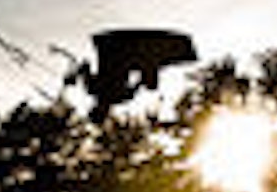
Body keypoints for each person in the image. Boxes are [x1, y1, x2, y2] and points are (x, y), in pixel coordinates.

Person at [60, 29, 197, 122]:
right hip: (115, 54)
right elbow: (85, 66)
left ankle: (157, 55)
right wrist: (74, 76)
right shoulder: (94, 90)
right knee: (151, 83)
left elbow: (84, 66)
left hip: (118, 54)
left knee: (150, 83)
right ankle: (158, 55)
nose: (102, 108)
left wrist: (73, 76)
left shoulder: (114, 96)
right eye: (101, 111)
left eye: (100, 111)